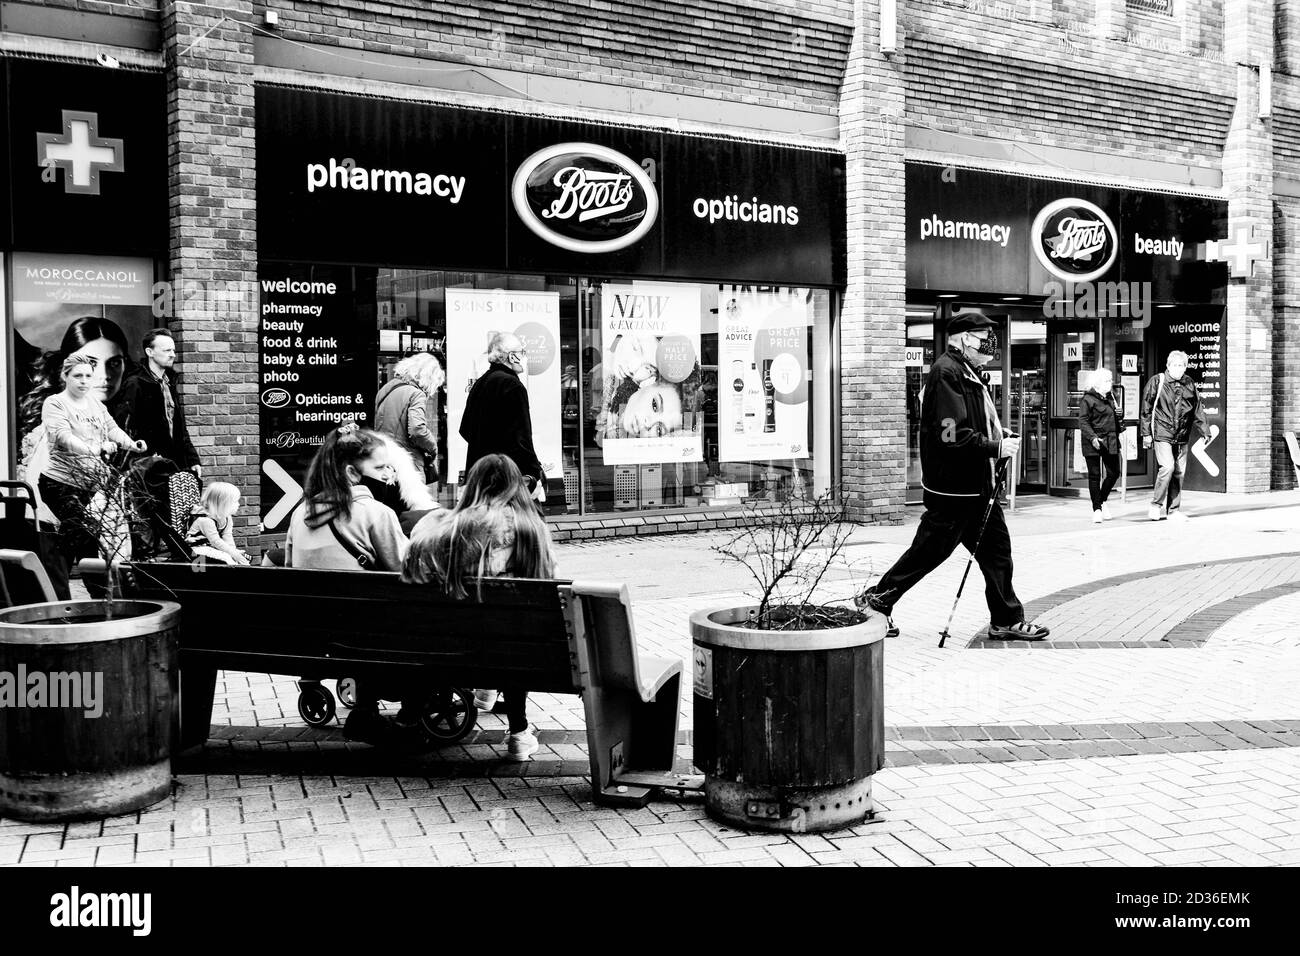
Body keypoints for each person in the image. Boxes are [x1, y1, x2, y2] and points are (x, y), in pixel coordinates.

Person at [856, 311, 1050, 641]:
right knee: (928, 553)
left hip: (976, 488)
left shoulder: (968, 372)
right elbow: (952, 435)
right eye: (983, 335)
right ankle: (876, 601)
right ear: (962, 339)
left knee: (997, 553)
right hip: (955, 491)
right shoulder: (947, 373)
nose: (990, 342)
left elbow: (969, 423)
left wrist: (995, 432)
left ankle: (1006, 619)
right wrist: (995, 447)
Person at [402, 453, 558, 760]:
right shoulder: (532, 528)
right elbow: (547, 585)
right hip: (512, 646)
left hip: (451, 641)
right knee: (513, 634)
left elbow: (413, 566)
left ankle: (480, 687)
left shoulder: (443, 526)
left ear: (471, 484)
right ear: (517, 486)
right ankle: (518, 733)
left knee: (471, 624)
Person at [285, 423, 410, 744]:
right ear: (353, 474)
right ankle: (403, 712)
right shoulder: (375, 513)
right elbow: (405, 572)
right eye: (380, 467)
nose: (388, 475)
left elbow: (289, 574)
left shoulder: (301, 514)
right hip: (365, 636)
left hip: (311, 635)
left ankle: (368, 710)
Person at [38, 354, 147, 570]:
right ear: (65, 376)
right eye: (78, 375)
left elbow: (112, 428)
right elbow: (63, 437)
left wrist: (132, 444)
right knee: (83, 534)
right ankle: (72, 587)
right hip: (60, 484)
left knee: (82, 537)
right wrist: (95, 449)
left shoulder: (95, 404)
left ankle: (77, 589)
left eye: (88, 376)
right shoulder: (55, 403)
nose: (84, 381)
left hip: (91, 485)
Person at [459, 332, 545, 501]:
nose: (524, 357)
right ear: (512, 357)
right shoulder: (513, 386)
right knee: (522, 524)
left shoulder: (481, 382)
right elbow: (521, 438)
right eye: (522, 353)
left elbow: (465, 429)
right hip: (507, 478)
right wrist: (534, 472)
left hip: (480, 475)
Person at [110, 328, 201, 477]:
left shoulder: (169, 382)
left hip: (174, 464)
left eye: (173, 350)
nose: (172, 354)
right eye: (166, 350)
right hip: (146, 468)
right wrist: (142, 460)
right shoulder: (135, 383)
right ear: (149, 352)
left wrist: (192, 459)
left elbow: (180, 428)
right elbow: (124, 428)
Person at [1140, 350, 1211, 522]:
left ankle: (1173, 510)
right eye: (1175, 365)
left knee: (1179, 472)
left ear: (1185, 367)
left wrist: (1205, 430)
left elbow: (1197, 408)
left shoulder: (1189, 383)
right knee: (1168, 467)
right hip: (1162, 433)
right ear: (1168, 365)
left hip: (1182, 435)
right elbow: (1146, 409)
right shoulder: (1157, 381)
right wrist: (1146, 433)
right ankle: (1156, 505)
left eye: (1181, 365)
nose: (1178, 368)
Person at [595, 334, 701, 441]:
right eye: (655, 405)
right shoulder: (617, 371)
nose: (648, 423)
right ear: (651, 381)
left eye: (659, 429)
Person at [375, 351, 444, 483]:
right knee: (413, 502)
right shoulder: (416, 394)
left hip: (385, 461)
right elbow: (417, 430)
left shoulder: (385, 390)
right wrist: (433, 446)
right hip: (407, 465)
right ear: (428, 377)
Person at [1080, 367, 1122, 524]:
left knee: (1114, 473)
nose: (1109, 383)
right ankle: (1097, 509)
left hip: (1110, 439)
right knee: (1094, 475)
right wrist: (1092, 438)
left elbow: (1112, 418)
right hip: (1094, 441)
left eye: (1110, 380)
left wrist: (1119, 414)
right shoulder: (1088, 399)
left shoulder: (1111, 397)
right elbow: (1083, 421)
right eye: (1106, 380)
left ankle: (1102, 500)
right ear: (1097, 383)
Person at [186, 481, 250, 565]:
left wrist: (234, 552)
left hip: (212, 547)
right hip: (197, 549)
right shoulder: (205, 520)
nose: (238, 504)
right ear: (222, 503)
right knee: (226, 559)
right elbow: (216, 541)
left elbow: (228, 536)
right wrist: (234, 554)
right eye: (235, 501)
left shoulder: (227, 518)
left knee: (243, 557)